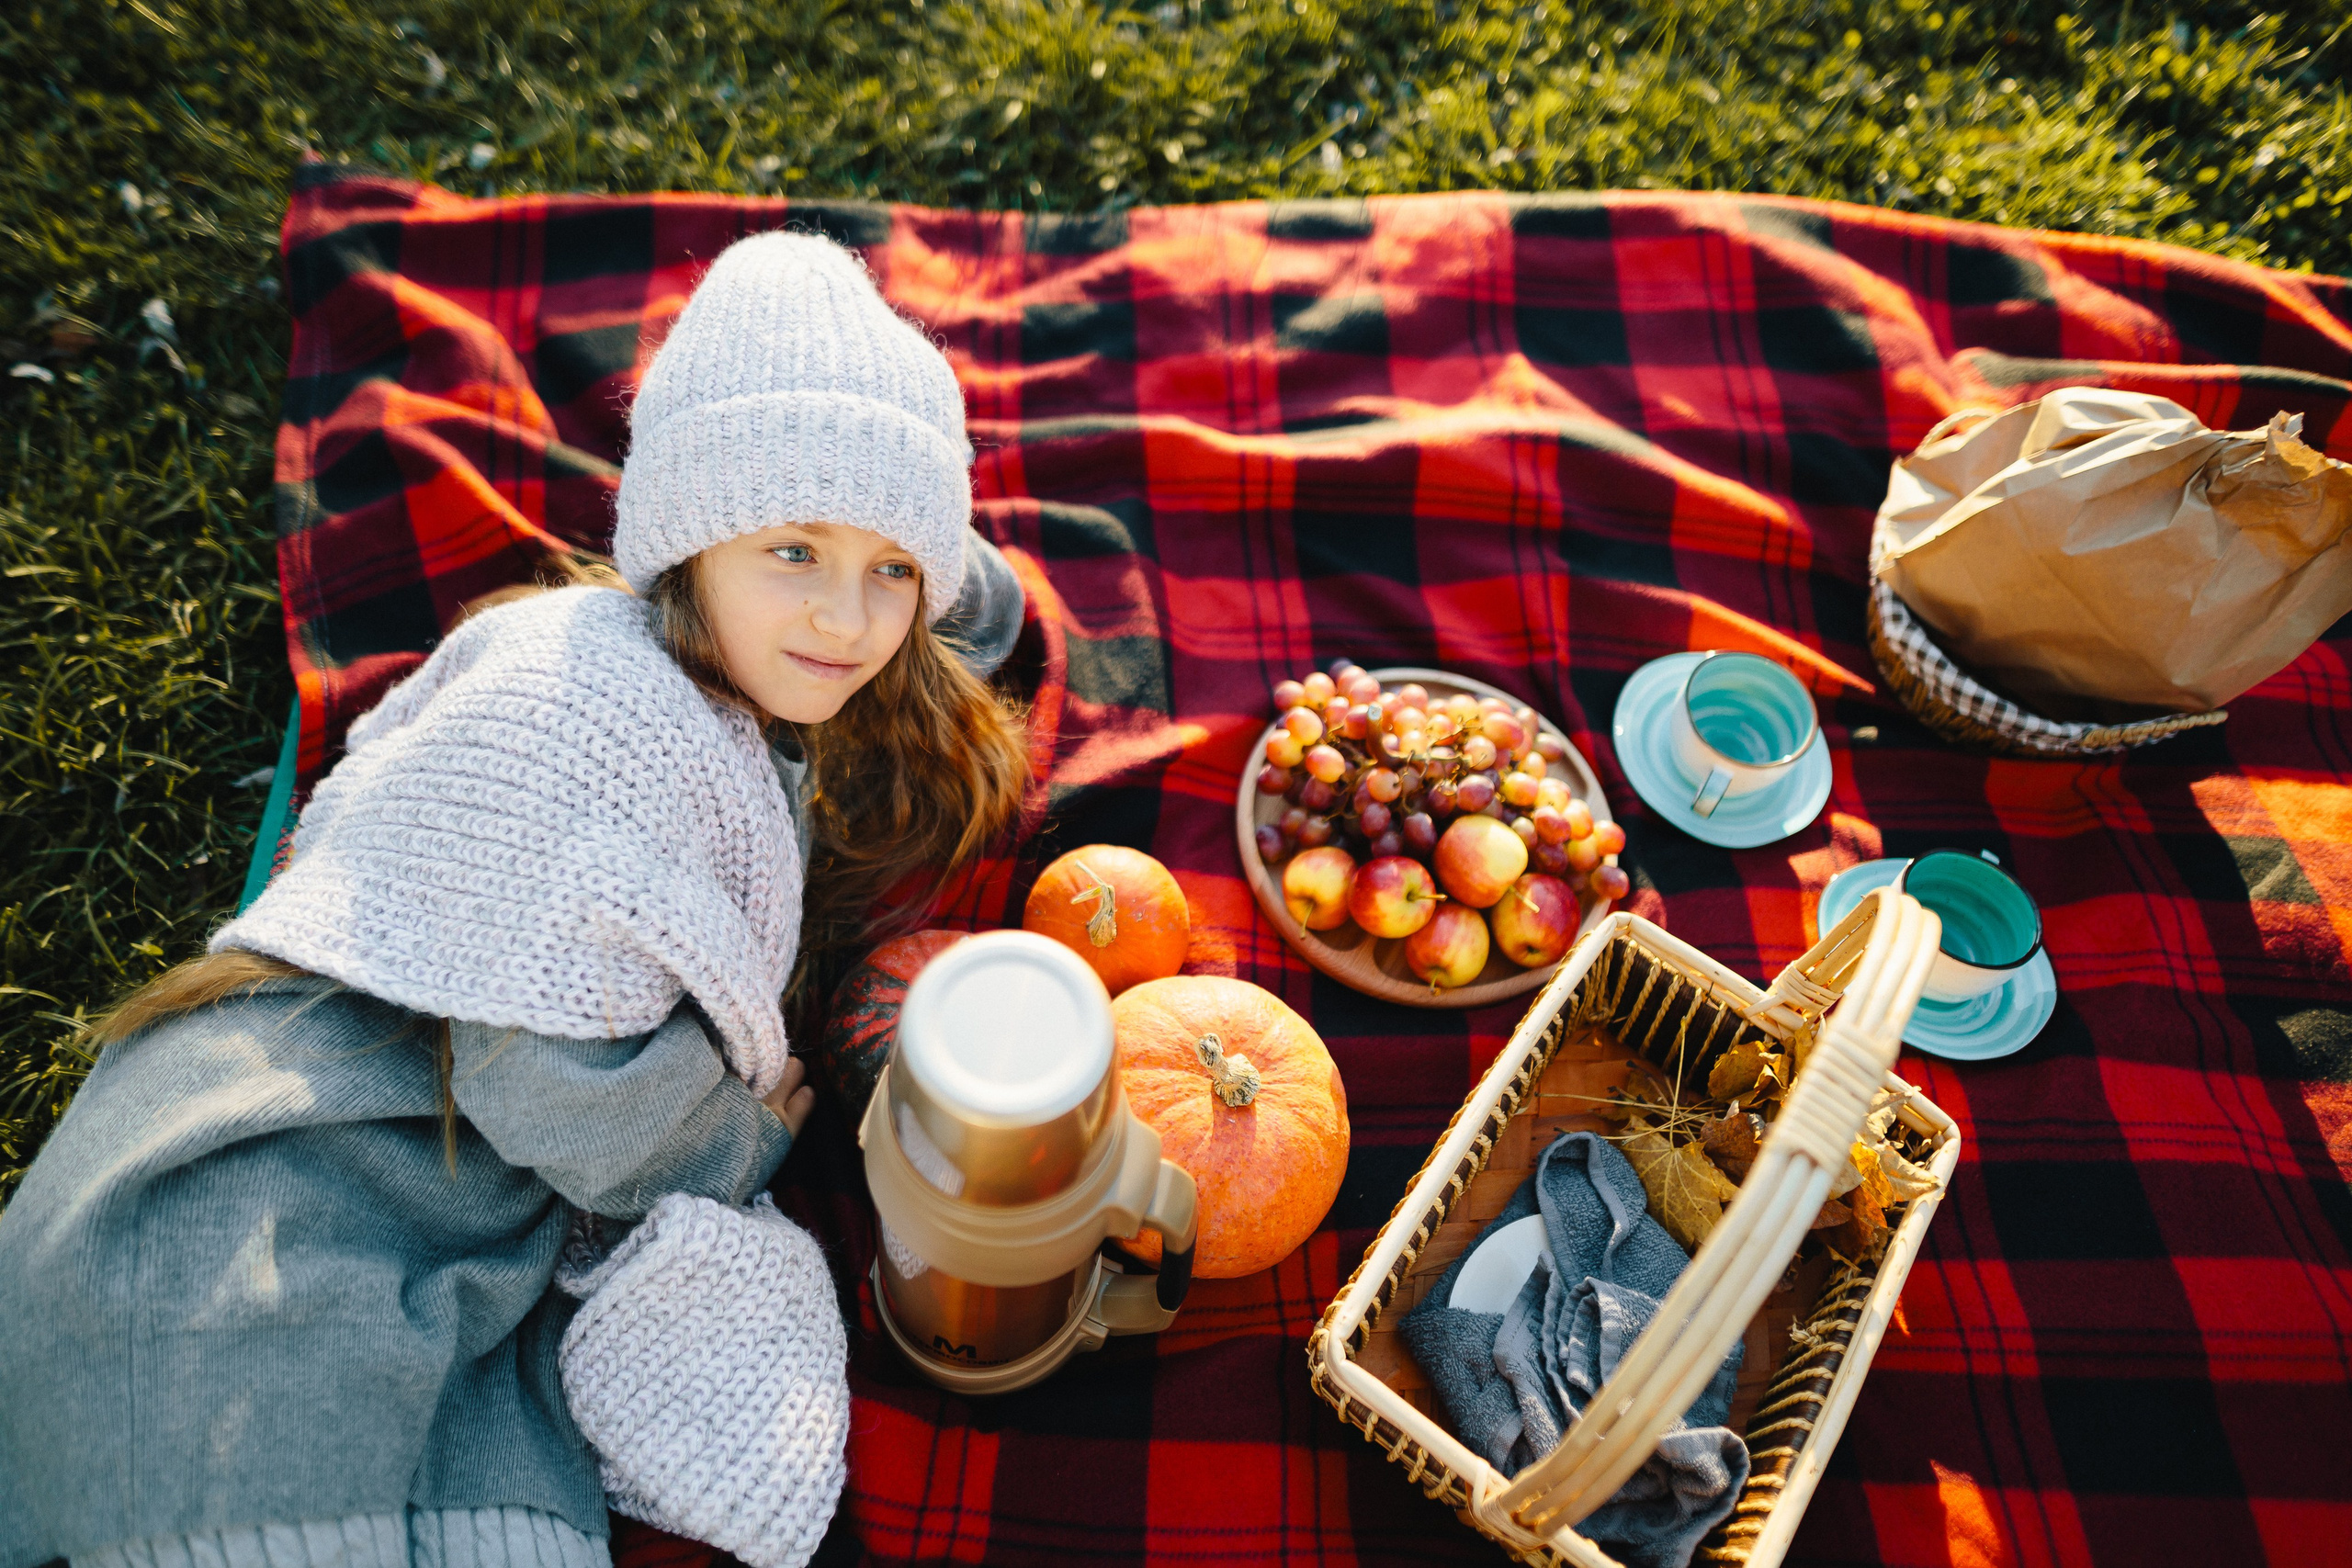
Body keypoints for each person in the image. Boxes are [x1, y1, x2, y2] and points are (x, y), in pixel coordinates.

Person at [0, 232, 1029, 1568]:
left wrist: (938, 577)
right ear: (694, 537)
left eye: (894, 569)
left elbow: (918, 598)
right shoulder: (591, 710)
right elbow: (548, 1071)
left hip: (443, 1162)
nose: (845, 616)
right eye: (793, 550)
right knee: (250, 1434)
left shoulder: (735, 661)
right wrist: (725, 1147)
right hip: (307, 1145)